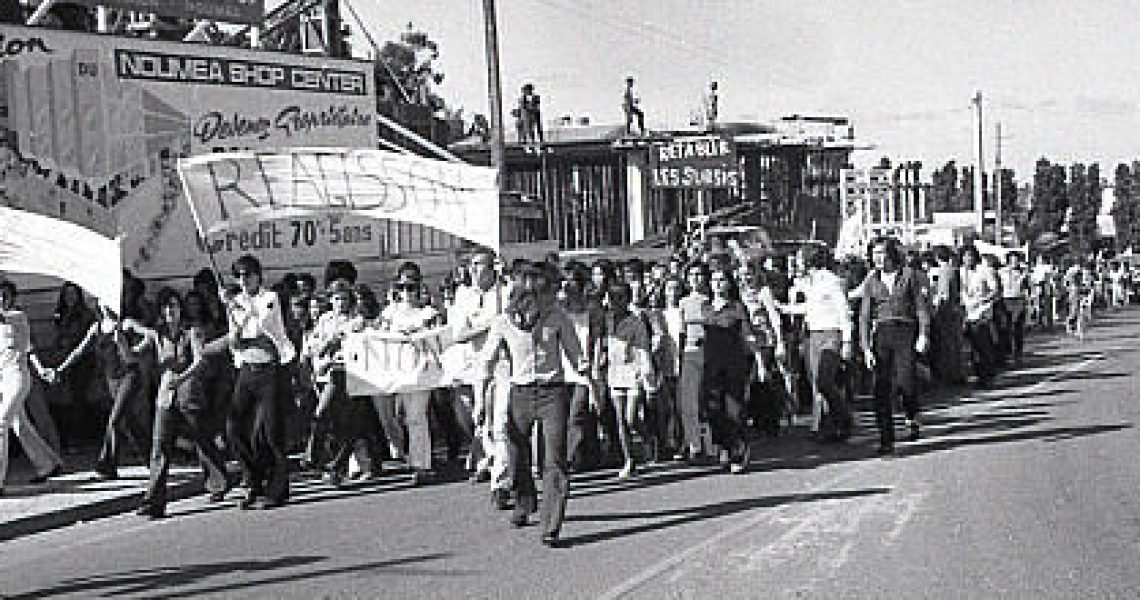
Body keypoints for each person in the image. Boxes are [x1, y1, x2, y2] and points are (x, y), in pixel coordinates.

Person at [479, 261, 586, 547]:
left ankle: (551, 525)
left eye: (544, 295)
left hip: (552, 393)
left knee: (554, 459)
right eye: (534, 296)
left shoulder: (557, 318)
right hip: (520, 393)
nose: (542, 301)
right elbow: (487, 360)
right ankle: (524, 501)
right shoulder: (502, 323)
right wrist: (480, 398)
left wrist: (587, 372)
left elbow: (575, 353)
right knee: (515, 452)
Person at [137, 288, 231, 518]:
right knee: (160, 447)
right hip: (166, 396)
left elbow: (201, 361)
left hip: (189, 393)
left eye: (174, 306)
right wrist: (119, 337)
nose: (170, 311)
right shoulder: (158, 334)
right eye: (166, 307)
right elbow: (132, 354)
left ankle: (219, 480)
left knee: (202, 438)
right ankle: (154, 501)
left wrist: (182, 378)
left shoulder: (192, 332)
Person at [224, 254, 296, 510]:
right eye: (239, 276)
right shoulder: (235, 302)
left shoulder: (270, 298)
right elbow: (234, 341)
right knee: (234, 427)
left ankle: (278, 489)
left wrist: (238, 314)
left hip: (270, 369)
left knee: (271, 432)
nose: (243, 280)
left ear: (258, 275)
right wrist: (232, 311)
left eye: (248, 274)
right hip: (247, 368)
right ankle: (252, 479)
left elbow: (259, 329)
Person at [859, 237, 931, 455]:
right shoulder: (871, 281)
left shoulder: (908, 275)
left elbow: (920, 307)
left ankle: (912, 415)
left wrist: (923, 334)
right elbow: (864, 316)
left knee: (905, 381)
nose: (877, 258)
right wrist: (865, 347)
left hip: (905, 329)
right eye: (874, 254)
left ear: (891, 254)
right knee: (881, 388)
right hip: (882, 332)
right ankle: (886, 439)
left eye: (881, 253)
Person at [780, 246, 853, 441]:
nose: (796, 263)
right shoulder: (809, 283)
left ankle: (844, 418)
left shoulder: (830, 281)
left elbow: (843, 310)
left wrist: (847, 340)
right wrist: (783, 308)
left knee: (825, 380)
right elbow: (809, 308)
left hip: (831, 333)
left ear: (808, 260)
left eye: (799, 259)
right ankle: (826, 426)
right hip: (813, 335)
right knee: (816, 385)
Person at [0, 277, 65, 494]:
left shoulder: (18, 317)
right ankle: (48, 464)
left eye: (6, 295)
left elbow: (29, 349)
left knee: (1, 424)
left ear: (13, 298)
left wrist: (40, 370)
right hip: (3, 380)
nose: (2, 299)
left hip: (17, 377)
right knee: (20, 425)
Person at [380, 261, 442, 486]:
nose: (407, 292)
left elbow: (438, 338)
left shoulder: (427, 312)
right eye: (402, 287)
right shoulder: (390, 313)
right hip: (400, 370)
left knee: (417, 415)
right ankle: (414, 458)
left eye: (411, 287)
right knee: (404, 417)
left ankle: (422, 464)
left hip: (422, 368)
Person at [600, 281, 655, 479]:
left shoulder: (636, 322)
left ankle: (648, 439)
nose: (615, 302)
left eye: (620, 298)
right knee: (620, 420)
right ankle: (629, 459)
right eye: (612, 298)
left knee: (631, 418)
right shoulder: (606, 320)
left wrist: (647, 377)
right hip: (615, 373)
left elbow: (643, 349)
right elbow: (602, 343)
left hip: (633, 372)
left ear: (628, 300)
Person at [961, 246, 999, 385]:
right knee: (972, 348)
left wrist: (984, 300)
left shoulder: (984, 271)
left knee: (984, 346)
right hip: (967, 313)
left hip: (982, 313)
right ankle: (979, 374)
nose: (967, 259)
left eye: (970, 256)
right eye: (965, 256)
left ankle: (988, 375)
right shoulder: (960, 272)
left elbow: (995, 290)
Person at [929, 246, 966, 385]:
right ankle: (957, 372)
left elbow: (944, 294)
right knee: (956, 343)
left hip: (947, 312)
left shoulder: (944, 272)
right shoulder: (953, 270)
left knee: (948, 344)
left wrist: (937, 309)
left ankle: (952, 374)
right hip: (955, 310)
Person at [999, 252, 1031, 363]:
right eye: (1012, 260)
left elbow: (1028, 287)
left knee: (1018, 328)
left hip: (1019, 299)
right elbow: (999, 286)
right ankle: (1007, 353)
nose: (1015, 262)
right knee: (1006, 328)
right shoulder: (1002, 272)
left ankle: (1018, 353)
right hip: (1006, 300)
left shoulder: (1023, 272)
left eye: (1016, 260)